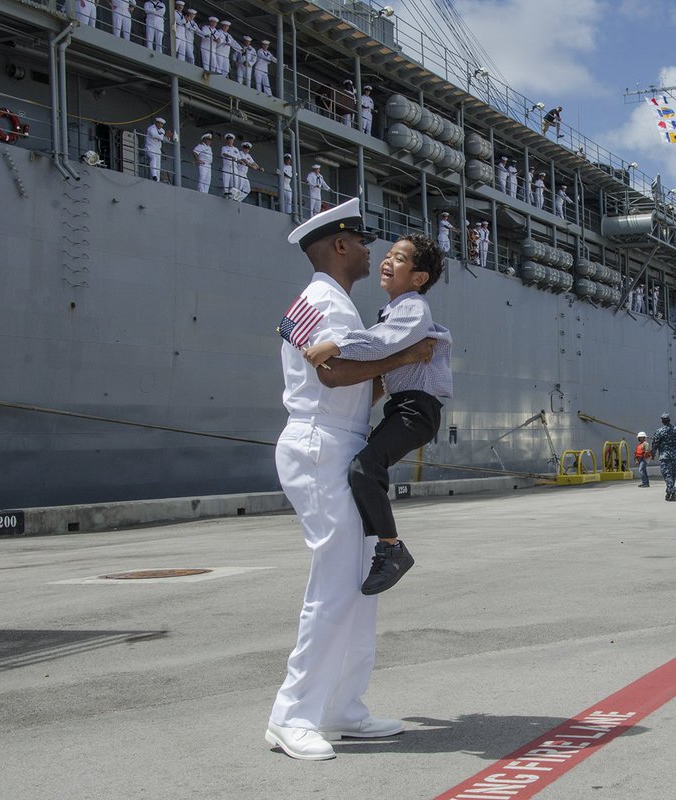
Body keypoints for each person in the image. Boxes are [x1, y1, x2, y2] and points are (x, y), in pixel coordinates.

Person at [267, 197, 436, 760]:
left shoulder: (333, 303)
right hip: (321, 445)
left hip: (346, 442)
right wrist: (404, 353)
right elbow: (335, 372)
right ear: (340, 246)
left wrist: (403, 368)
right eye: (363, 242)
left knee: (363, 581)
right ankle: (292, 715)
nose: (371, 252)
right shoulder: (325, 302)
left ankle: (343, 706)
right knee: (336, 583)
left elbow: (360, 383)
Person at [301, 232, 451, 596]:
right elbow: (384, 362)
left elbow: (381, 343)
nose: (386, 261)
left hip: (417, 409)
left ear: (418, 279)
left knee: (364, 468)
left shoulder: (412, 309)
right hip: (406, 406)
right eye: (388, 255)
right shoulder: (394, 312)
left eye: (399, 258)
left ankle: (390, 547)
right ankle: (381, 543)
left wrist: (336, 343)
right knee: (363, 470)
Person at [651, 413, 676, 501]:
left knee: (667, 474)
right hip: (675, 456)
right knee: (673, 475)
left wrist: (653, 454)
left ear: (662, 421)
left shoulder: (659, 431)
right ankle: (669, 491)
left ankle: (672, 492)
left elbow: (655, 444)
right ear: (669, 420)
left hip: (665, 456)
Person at [142, 117, 170, 181]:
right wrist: (163, 136)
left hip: (157, 149)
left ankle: (157, 179)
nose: (160, 125)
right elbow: (154, 135)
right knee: (153, 158)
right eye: (159, 123)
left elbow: (164, 140)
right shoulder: (151, 128)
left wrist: (168, 137)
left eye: (162, 124)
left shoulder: (162, 130)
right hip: (150, 147)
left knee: (158, 164)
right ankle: (154, 175)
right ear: (157, 123)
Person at [219, 132, 240, 198]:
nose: (230, 141)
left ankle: (233, 196)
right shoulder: (224, 148)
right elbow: (224, 154)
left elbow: (239, 158)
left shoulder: (236, 149)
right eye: (228, 139)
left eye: (231, 139)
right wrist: (231, 157)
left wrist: (243, 162)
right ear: (227, 140)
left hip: (234, 167)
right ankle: (226, 193)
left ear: (233, 140)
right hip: (227, 166)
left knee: (235, 181)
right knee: (226, 180)